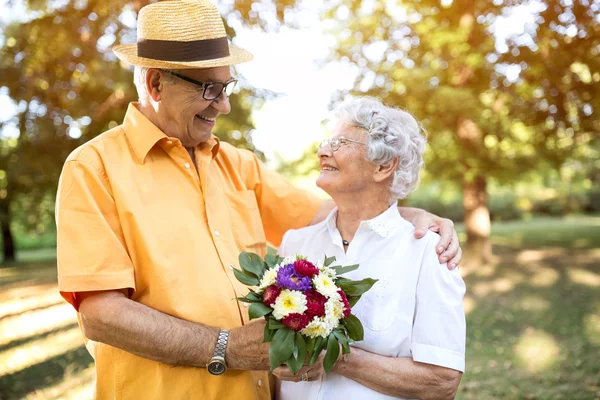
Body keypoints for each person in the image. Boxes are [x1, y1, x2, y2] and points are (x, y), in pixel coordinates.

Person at [55, 1, 462, 399]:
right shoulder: (94, 168)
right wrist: (225, 348)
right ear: (156, 84)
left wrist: (407, 213)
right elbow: (101, 314)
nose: (225, 105)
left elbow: (336, 214)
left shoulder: (237, 164)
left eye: (227, 87)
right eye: (210, 89)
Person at [274, 97, 466, 399]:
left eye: (341, 143)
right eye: (327, 142)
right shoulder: (294, 244)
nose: (323, 151)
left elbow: (441, 382)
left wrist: (339, 358)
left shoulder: (428, 253)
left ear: (384, 165)